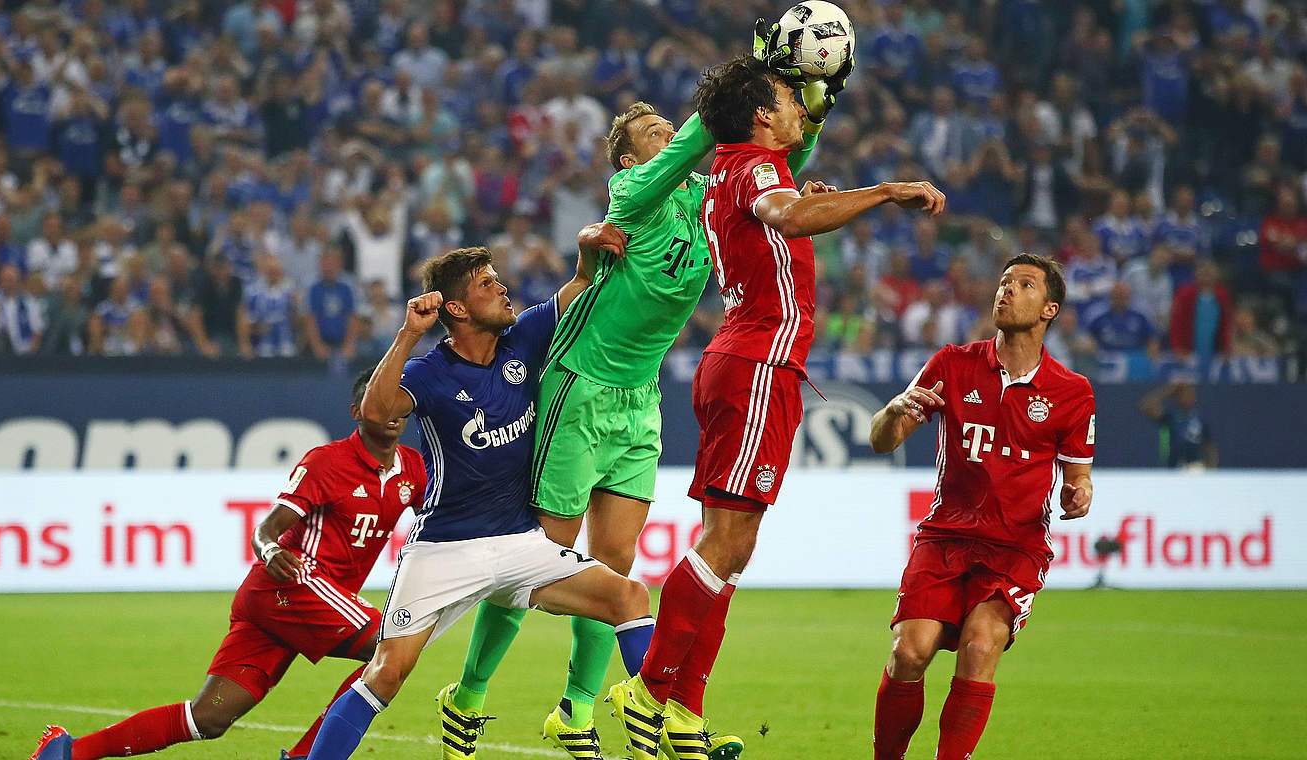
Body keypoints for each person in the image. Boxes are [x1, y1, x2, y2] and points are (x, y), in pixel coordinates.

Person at [446, 86, 828, 760]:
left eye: (668, 127)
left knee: (615, 567)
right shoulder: (638, 192)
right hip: (580, 388)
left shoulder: (707, 198)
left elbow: (776, 160)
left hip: (638, 400)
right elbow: (690, 147)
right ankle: (469, 697)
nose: (669, 134)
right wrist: (721, 108)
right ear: (628, 157)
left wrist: (813, 116)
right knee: (539, 559)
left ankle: (575, 710)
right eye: (654, 131)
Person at [605, 53, 945, 760]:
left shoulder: (736, 169)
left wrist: (813, 193)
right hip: (757, 364)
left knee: (733, 550)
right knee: (725, 547)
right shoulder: (754, 168)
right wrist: (882, 191)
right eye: (790, 100)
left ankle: (683, 713)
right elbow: (785, 215)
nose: (801, 111)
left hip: (746, 363)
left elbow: (777, 214)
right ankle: (649, 690)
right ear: (762, 114)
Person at [303, 246, 657, 760]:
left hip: (520, 544)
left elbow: (582, 278)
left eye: (497, 278)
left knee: (630, 597)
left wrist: (589, 244)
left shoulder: (526, 338)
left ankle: (661, 714)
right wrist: (407, 334)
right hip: (445, 548)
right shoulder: (430, 371)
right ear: (458, 309)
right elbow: (377, 413)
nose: (502, 287)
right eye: (487, 284)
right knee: (387, 672)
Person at [30, 369, 427, 760]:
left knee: (208, 718)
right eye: (380, 404)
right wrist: (270, 550)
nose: (392, 414)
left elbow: (442, 517)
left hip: (305, 605)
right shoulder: (327, 462)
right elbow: (267, 529)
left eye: (399, 407)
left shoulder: (412, 468)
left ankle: (67, 752)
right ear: (358, 411)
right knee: (389, 647)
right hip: (289, 585)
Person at [867, 254, 1096, 760]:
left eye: (1024, 284)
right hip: (945, 536)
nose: (1007, 290)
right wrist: (891, 412)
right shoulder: (952, 363)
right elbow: (884, 440)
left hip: (1015, 547)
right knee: (908, 652)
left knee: (978, 647)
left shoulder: (1073, 392)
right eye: (1004, 281)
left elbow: (1079, 475)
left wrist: (1078, 493)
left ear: (1049, 309)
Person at [1140, 380, 1217, 469]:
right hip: (1174, 466)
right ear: (1176, 397)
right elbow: (1146, 406)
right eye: (1183, 394)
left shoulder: (1199, 419)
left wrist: (1211, 466)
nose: (1187, 397)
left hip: (1195, 467)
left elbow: (1209, 445)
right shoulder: (1170, 417)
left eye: (1190, 394)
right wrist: (1170, 389)